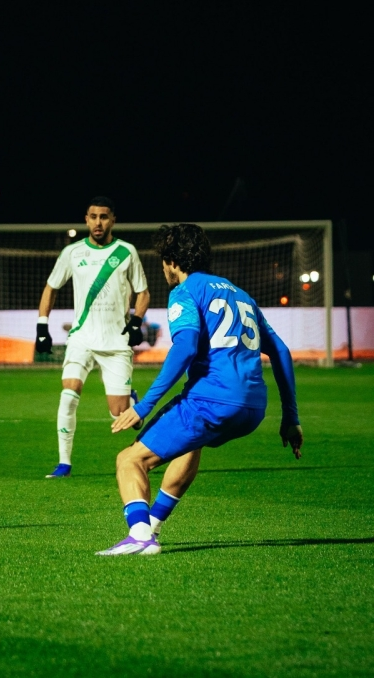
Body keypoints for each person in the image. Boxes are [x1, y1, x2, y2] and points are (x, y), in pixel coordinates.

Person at [99, 223, 303, 555]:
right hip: (253, 408)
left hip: (212, 398)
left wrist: (143, 406)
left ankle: (139, 537)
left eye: (163, 261)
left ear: (171, 260)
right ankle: (152, 526)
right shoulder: (241, 295)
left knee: (129, 460)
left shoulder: (185, 291)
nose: (163, 268)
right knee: (192, 443)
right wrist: (291, 418)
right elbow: (280, 350)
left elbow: (184, 348)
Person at [36, 196, 150, 478]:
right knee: (68, 395)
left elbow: (143, 291)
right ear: (86, 219)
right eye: (93, 216)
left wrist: (136, 321)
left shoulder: (126, 252)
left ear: (113, 220)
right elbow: (51, 288)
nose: (98, 222)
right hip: (81, 338)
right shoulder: (72, 253)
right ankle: (64, 463)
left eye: (104, 217)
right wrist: (41, 326)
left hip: (115, 342)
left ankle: (132, 405)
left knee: (118, 414)